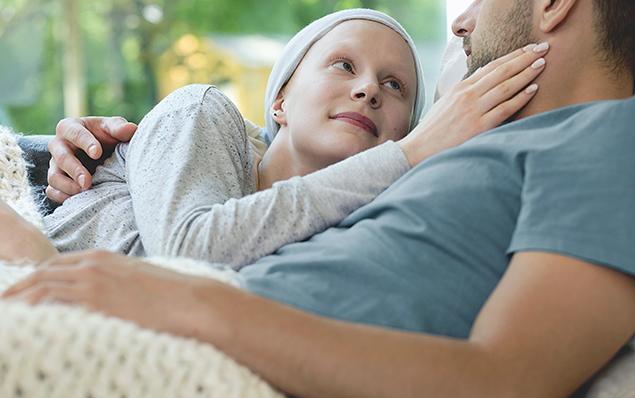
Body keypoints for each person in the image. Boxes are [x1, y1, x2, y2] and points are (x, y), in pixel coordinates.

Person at [4, 0, 635, 398]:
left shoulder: (611, 140)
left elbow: (497, 389)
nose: (462, 22)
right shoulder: (459, 157)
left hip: (205, 359)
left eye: (397, 88)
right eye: (345, 67)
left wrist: (193, 304)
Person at [30, 9, 544, 271]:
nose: (368, 90)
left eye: (395, 87)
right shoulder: (205, 112)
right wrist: (408, 155)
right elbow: (189, 255)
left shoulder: (356, 228)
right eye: (344, 65)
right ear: (279, 101)